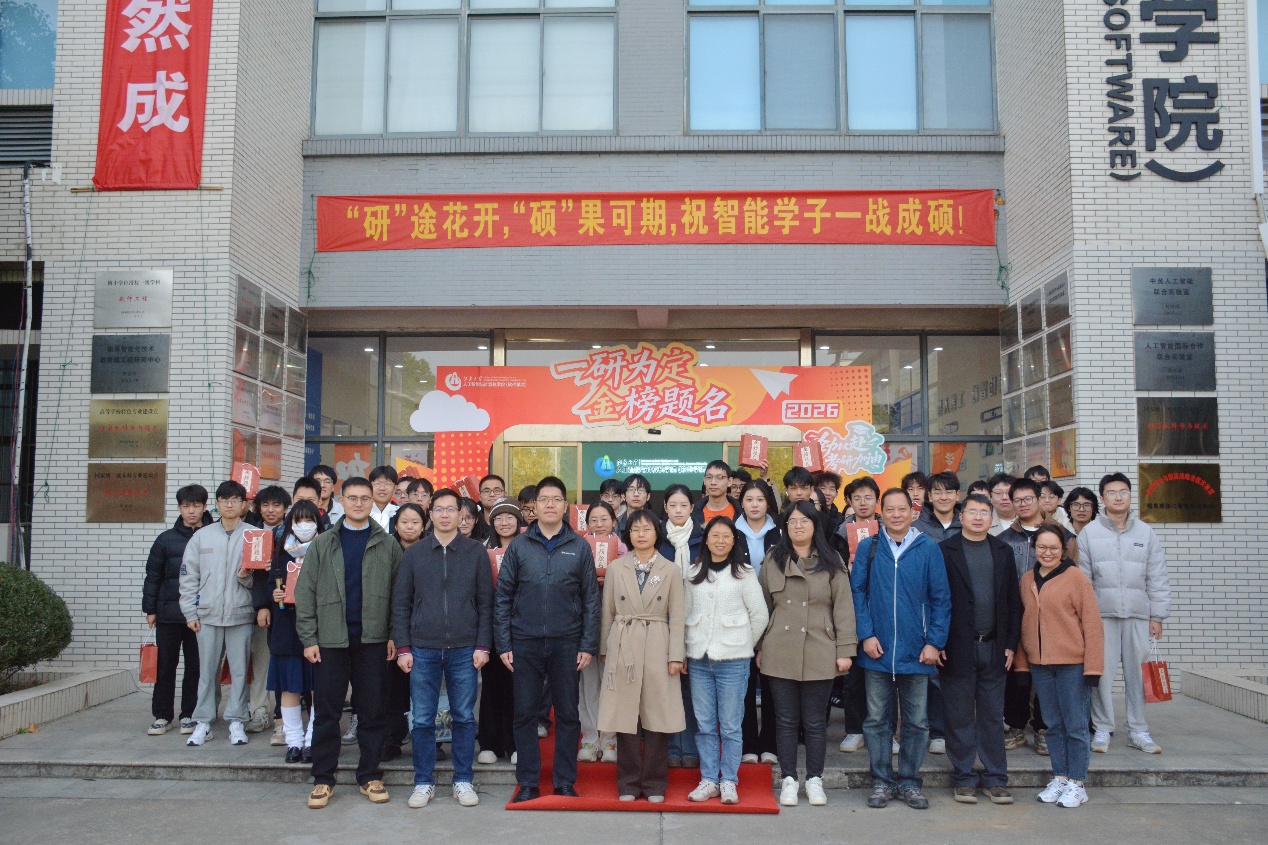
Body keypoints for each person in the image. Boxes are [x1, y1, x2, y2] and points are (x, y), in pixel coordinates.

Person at [294, 476, 403, 809]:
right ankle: (323, 778)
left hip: (373, 640)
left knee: (372, 711)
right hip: (330, 639)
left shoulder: (387, 544)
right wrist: (309, 638)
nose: (358, 504)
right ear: (341, 501)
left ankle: (369, 775)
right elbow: (305, 593)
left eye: (364, 498)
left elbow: (399, 596)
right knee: (327, 712)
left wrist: (393, 635)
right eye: (352, 498)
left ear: (373, 502)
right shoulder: (324, 543)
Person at [495, 476, 601, 803]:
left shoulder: (579, 546)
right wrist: (504, 643)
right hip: (524, 642)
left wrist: (587, 644)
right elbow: (503, 596)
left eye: (556, 499)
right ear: (535, 507)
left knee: (568, 714)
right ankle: (528, 782)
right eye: (544, 499)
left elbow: (591, 600)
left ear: (565, 506)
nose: (550, 505)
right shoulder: (519, 546)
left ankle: (564, 781)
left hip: (567, 642)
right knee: (525, 714)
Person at [392, 488, 494, 810]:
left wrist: (483, 644)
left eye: (452, 509)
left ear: (461, 515)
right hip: (422, 647)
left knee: (463, 716)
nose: (446, 515)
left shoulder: (475, 552)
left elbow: (486, 603)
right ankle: (423, 781)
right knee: (422, 718)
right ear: (430, 513)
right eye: (439, 509)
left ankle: (463, 779)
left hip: (465, 648)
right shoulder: (415, 554)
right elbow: (401, 603)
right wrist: (404, 647)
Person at [852, 489, 950, 810]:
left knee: (917, 722)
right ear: (881, 513)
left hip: (917, 651)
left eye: (901, 509)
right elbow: (857, 594)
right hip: (877, 651)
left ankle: (909, 781)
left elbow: (941, 599)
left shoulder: (928, 548)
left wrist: (934, 642)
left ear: (913, 512)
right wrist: (866, 635)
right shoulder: (869, 547)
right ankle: (881, 781)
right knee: (876, 720)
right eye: (890, 509)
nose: (896, 515)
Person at [756, 501, 855, 808]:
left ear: (815, 525)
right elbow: (761, 607)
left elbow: (843, 608)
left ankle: (814, 779)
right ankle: (788, 779)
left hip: (820, 648)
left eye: (804, 521)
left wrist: (845, 650)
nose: (798, 526)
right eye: (792, 521)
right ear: (785, 527)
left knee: (814, 722)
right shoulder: (773, 559)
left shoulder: (832, 560)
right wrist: (759, 646)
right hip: (779, 649)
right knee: (785, 720)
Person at [936, 493, 1021, 805]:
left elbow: (1013, 602)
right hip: (956, 647)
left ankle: (996, 778)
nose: (978, 517)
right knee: (959, 717)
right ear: (961, 517)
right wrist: (937, 641)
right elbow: (934, 599)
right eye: (972, 512)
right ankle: (964, 777)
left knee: (992, 717)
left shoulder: (1003, 551)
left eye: (984, 512)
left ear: (991, 518)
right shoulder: (944, 551)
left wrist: (1011, 644)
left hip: (995, 648)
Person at [1078, 473, 1171, 756]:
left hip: (1138, 615)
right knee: (1101, 676)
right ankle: (1103, 728)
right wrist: (1084, 619)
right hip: (1101, 616)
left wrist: (1157, 616)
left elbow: (1157, 577)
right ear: (1102, 498)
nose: (1118, 497)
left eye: (1123, 492)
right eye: (1111, 493)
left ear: (1131, 495)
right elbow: (1083, 580)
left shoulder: (1145, 533)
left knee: (1137, 676)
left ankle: (1138, 729)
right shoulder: (1089, 533)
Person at [597, 509, 685, 803]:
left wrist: (676, 655)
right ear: (628, 535)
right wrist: (605, 649)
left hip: (659, 644)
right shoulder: (616, 568)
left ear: (657, 533)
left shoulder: (670, 569)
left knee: (657, 715)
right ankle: (629, 784)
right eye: (635, 529)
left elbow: (678, 616)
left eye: (647, 529)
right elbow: (608, 611)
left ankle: (656, 784)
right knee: (626, 716)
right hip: (624, 643)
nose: (641, 534)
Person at [682, 516, 769, 806]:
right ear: (706, 540)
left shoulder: (744, 573)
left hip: (734, 661)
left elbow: (760, 615)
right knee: (705, 723)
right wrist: (684, 650)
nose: (720, 541)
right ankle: (709, 778)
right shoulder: (693, 573)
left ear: (734, 541)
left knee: (731, 724)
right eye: (715, 535)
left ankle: (729, 779)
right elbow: (684, 613)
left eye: (726, 536)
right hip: (699, 659)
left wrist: (744, 644)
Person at [1015, 525, 1104, 809]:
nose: (1048, 553)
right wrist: (1022, 665)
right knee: (1052, 725)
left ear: (1063, 550)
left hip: (1072, 665)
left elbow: (1092, 624)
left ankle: (1077, 782)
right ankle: (1060, 777)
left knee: (1075, 726)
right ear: (1034, 548)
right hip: (1041, 665)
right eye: (1042, 547)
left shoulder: (1075, 578)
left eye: (1054, 548)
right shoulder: (1027, 579)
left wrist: (1093, 667)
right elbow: (1024, 623)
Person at [998, 477, 1078, 754]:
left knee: (1048, 674)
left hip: (1053, 617)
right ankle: (1016, 726)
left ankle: (1044, 729)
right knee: (1017, 677)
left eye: (1027, 499)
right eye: (1017, 500)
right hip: (1015, 616)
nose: (1022, 504)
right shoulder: (1004, 539)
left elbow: (1074, 578)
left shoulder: (1064, 536)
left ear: (1039, 499)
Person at [179, 481, 255, 748]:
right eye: (224, 500)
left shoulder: (254, 536)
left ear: (244, 504)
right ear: (217, 504)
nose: (229, 505)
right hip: (208, 615)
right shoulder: (202, 537)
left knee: (240, 671)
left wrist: (245, 578)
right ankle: (203, 721)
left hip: (241, 614)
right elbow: (189, 577)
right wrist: (190, 612)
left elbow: (262, 581)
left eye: (235, 500)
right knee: (207, 672)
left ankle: (237, 720)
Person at [256, 500, 324, 764]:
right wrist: (274, 595)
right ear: (290, 523)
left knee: (319, 686)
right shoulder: (280, 551)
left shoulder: (326, 548)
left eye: (309, 520)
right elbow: (268, 585)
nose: (303, 525)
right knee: (289, 686)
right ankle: (294, 741)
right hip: (285, 626)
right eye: (298, 520)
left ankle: (312, 740)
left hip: (318, 628)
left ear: (318, 523)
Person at [142, 484, 210, 737]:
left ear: (204, 507)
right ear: (180, 508)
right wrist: (150, 609)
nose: (191, 511)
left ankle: (189, 715)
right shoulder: (165, 539)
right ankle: (162, 715)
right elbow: (153, 576)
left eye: (196, 505)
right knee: (165, 666)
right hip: (168, 614)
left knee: (195, 667)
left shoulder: (212, 536)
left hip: (201, 615)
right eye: (186, 506)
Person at [832, 476, 881, 755]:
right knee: (852, 675)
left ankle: (885, 729)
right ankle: (854, 729)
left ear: (877, 501)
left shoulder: (888, 531)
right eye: (857, 498)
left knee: (883, 674)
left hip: (881, 606)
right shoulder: (840, 534)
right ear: (849, 501)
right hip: (849, 607)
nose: (863, 503)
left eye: (868, 497)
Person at [735, 479, 780, 765]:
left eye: (760, 499)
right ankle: (748, 743)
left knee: (773, 682)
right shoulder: (731, 531)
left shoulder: (781, 532)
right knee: (745, 682)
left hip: (775, 613)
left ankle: (770, 744)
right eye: (749, 499)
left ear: (768, 503)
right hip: (740, 615)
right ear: (741, 502)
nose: (754, 505)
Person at [477, 497, 525, 765]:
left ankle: (515, 743)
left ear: (518, 520)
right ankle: (490, 744)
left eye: (509, 517)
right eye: (498, 518)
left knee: (518, 687)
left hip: (521, 627)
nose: (504, 522)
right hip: (492, 626)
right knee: (492, 685)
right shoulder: (482, 550)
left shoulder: (529, 547)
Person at [659, 484, 702, 768]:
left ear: (692, 508)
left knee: (692, 689)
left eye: (683, 505)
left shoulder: (703, 539)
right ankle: (672, 748)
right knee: (668, 686)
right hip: (663, 622)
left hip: (697, 620)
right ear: (665, 507)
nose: (678, 510)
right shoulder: (657, 539)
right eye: (673, 505)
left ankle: (692, 749)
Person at [578, 501, 625, 764]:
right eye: (593, 520)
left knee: (612, 683)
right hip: (585, 625)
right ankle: (589, 738)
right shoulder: (578, 547)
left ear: (614, 521)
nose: (599, 524)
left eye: (604, 519)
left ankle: (610, 739)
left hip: (615, 625)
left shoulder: (624, 549)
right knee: (588, 684)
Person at [381, 504, 429, 763]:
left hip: (426, 629)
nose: (409, 527)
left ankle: (433, 740)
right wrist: (392, 632)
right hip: (393, 628)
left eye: (415, 522)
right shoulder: (386, 548)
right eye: (404, 522)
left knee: (428, 688)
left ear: (424, 525)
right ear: (396, 524)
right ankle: (392, 738)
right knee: (394, 688)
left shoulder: (432, 549)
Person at [245, 485, 290, 735]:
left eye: (276, 505)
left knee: (284, 664)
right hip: (262, 606)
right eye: (265, 505)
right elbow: (257, 579)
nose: (270, 510)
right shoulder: (251, 535)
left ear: (285, 508)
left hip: (287, 609)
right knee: (261, 663)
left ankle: (284, 716)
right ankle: (260, 710)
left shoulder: (292, 535)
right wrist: (261, 605)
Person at [915, 471, 962, 542]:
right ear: (930, 496)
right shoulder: (916, 528)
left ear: (957, 495)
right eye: (938, 493)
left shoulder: (967, 525)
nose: (944, 497)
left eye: (949, 492)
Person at [694, 460, 738, 526]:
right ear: (704, 481)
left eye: (719, 477)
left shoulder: (741, 512)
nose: (713, 482)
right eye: (709, 477)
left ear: (729, 481)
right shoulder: (693, 513)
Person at [368, 466, 399, 530]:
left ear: (395, 488)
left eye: (387, 483)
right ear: (370, 487)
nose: (382, 488)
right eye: (377, 483)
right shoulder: (362, 512)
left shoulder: (401, 513)